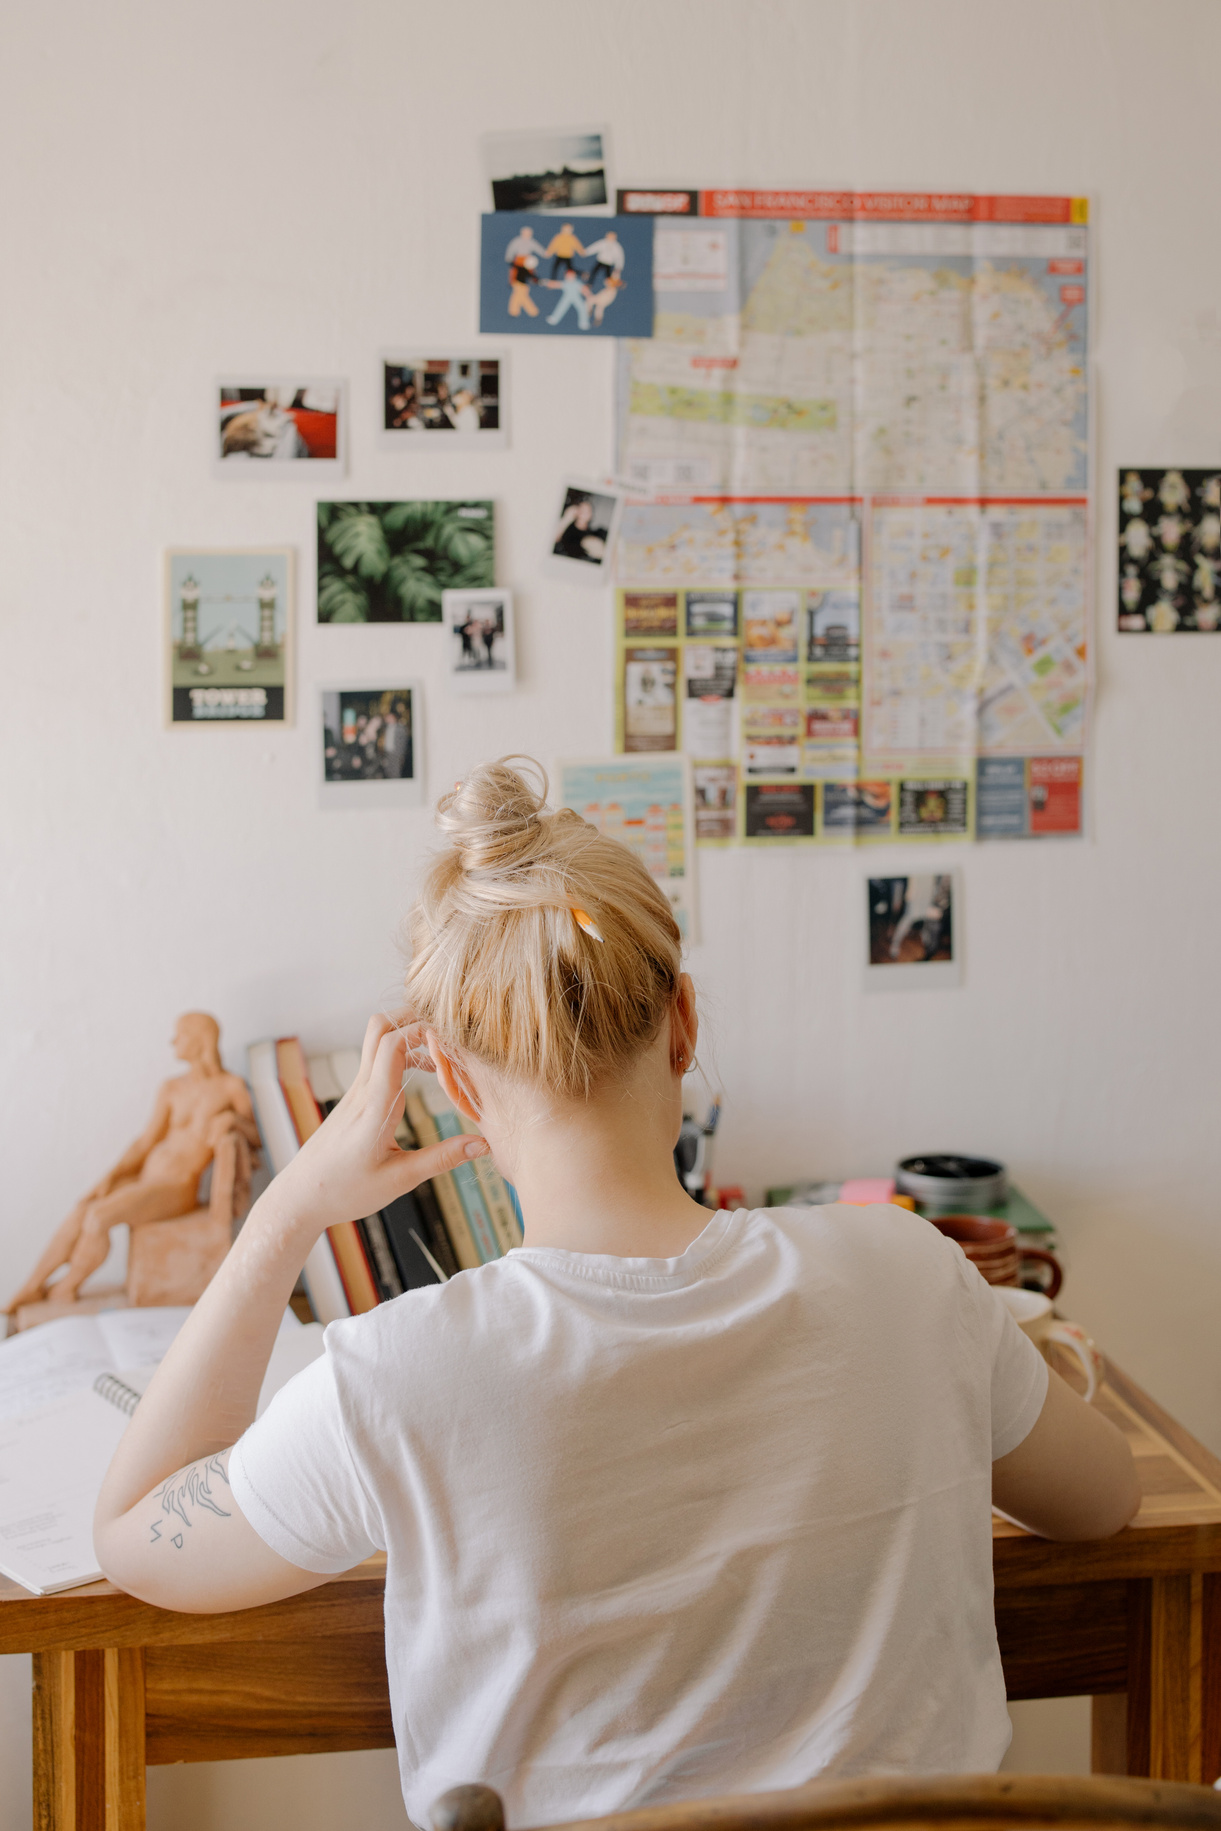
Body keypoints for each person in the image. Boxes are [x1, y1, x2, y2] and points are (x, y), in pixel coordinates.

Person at [94, 758, 1139, 1829]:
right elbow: (1106, 1500)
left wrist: (288, 1211)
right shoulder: (913, 1271)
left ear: (452, 1085)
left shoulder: (395, 1376)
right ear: (683, 1025)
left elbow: (129, 1536)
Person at [7, 1015, 260, 1311]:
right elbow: (146, 1141)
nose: (173, 1042)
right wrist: (110, 1177)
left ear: (201, 1039)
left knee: (99, 1217)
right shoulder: (172, 1087)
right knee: (83, 1208)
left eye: (180, 1035)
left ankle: (66, 1288)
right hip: (147, 1178)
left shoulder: (230, 1087)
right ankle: (33, 1286)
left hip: (177, 1186)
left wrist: (233, 1121)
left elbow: (258, 1137)